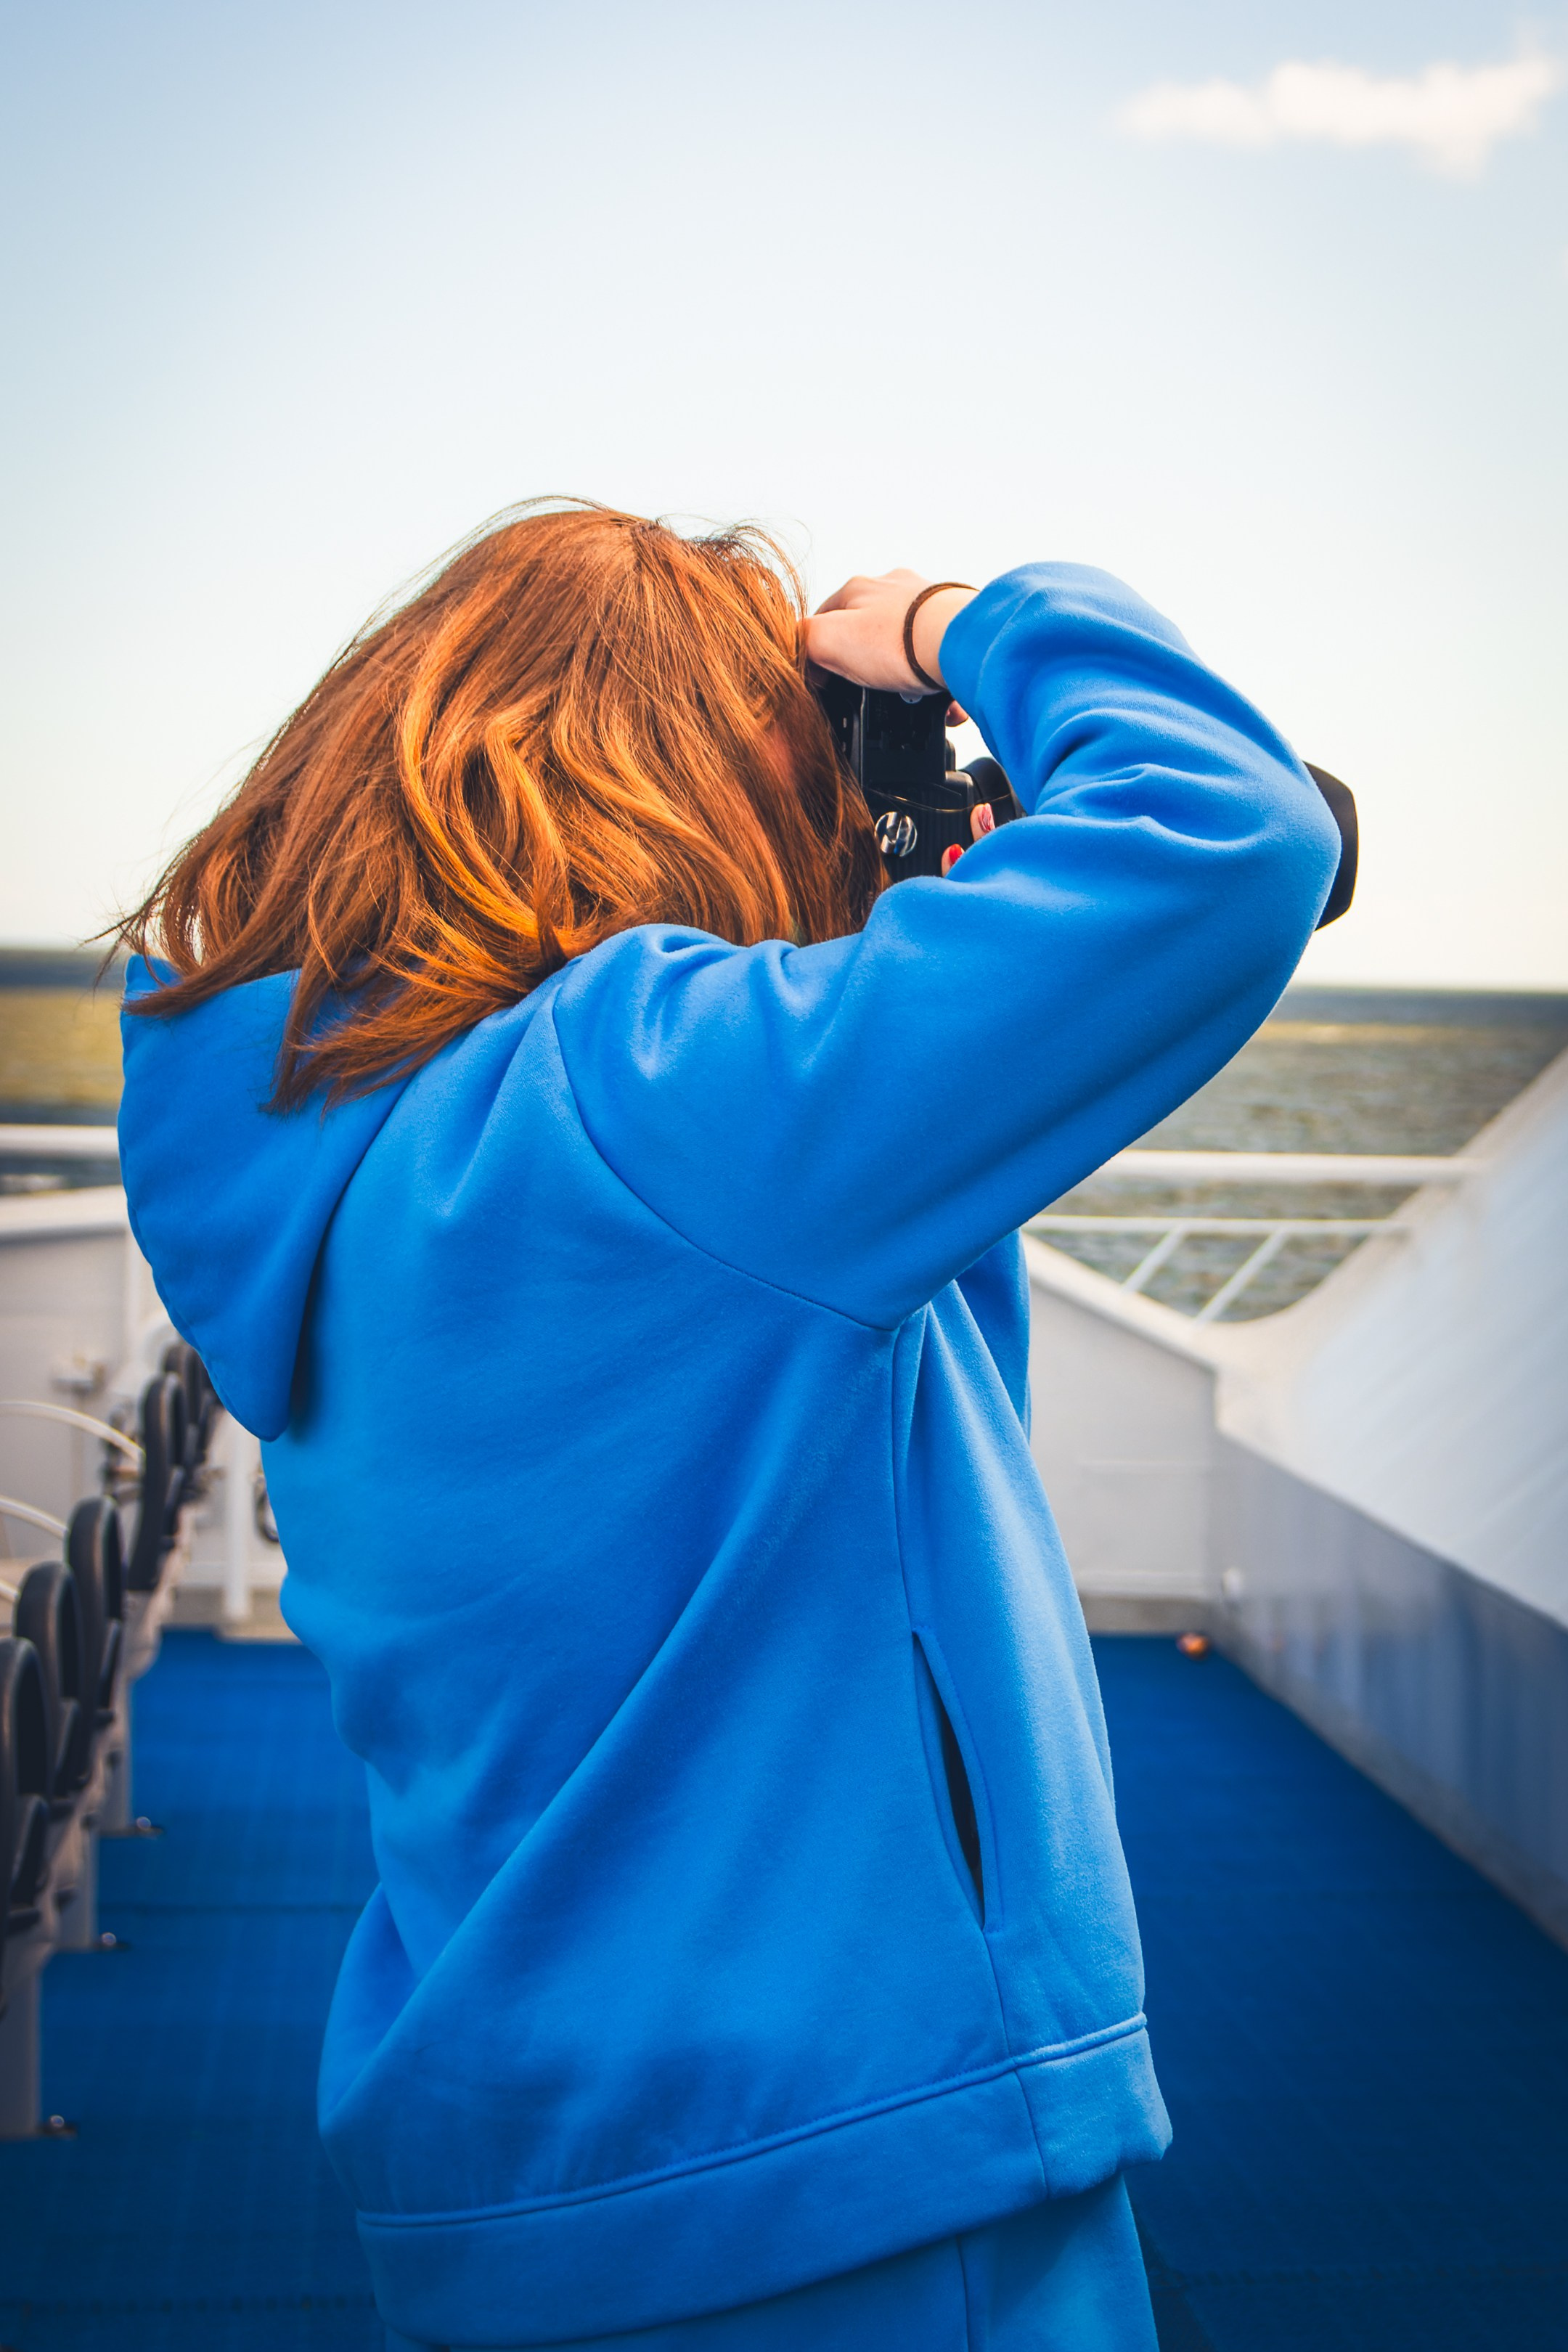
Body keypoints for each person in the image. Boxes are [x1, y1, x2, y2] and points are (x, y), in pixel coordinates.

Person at [115, 502, 1339, 2351]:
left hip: (537, 2159)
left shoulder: (348, 1161)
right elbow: (1232, 836)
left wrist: (902, 895)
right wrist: (958, 625)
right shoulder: (663, 1106)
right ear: (683, 771)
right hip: (847, 2172)